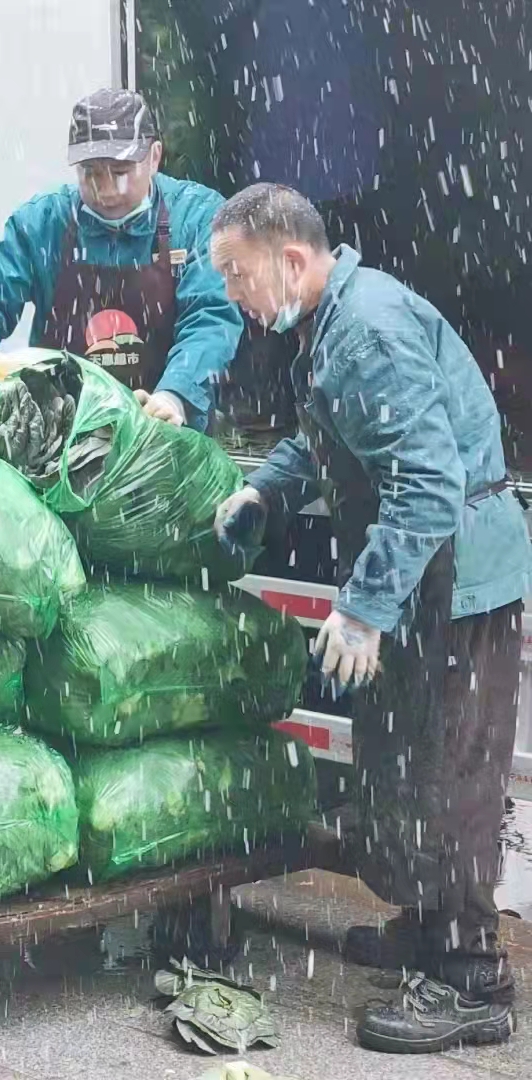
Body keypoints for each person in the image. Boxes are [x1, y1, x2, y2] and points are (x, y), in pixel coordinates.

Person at [210, 182, 531, 1054]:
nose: (235, 295)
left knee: (451, 776)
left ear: (292, 260)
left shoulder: (369, 330)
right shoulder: (331, 325)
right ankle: (428, 929)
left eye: (238, 275)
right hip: (421, 583)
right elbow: (326, 436)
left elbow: (426, 485)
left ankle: (471, 979)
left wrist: (361, 608)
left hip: (459, 582)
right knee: (400, 761)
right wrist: (263, 492)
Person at [0, 88, 243, 429]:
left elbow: (211, 317)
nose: (106, 190)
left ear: (154, 157)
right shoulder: (44, 221)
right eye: (91, 172)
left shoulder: (198, 217)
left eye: (120, 171)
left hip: (165, 433)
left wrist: (175, 394)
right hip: (58, 435)